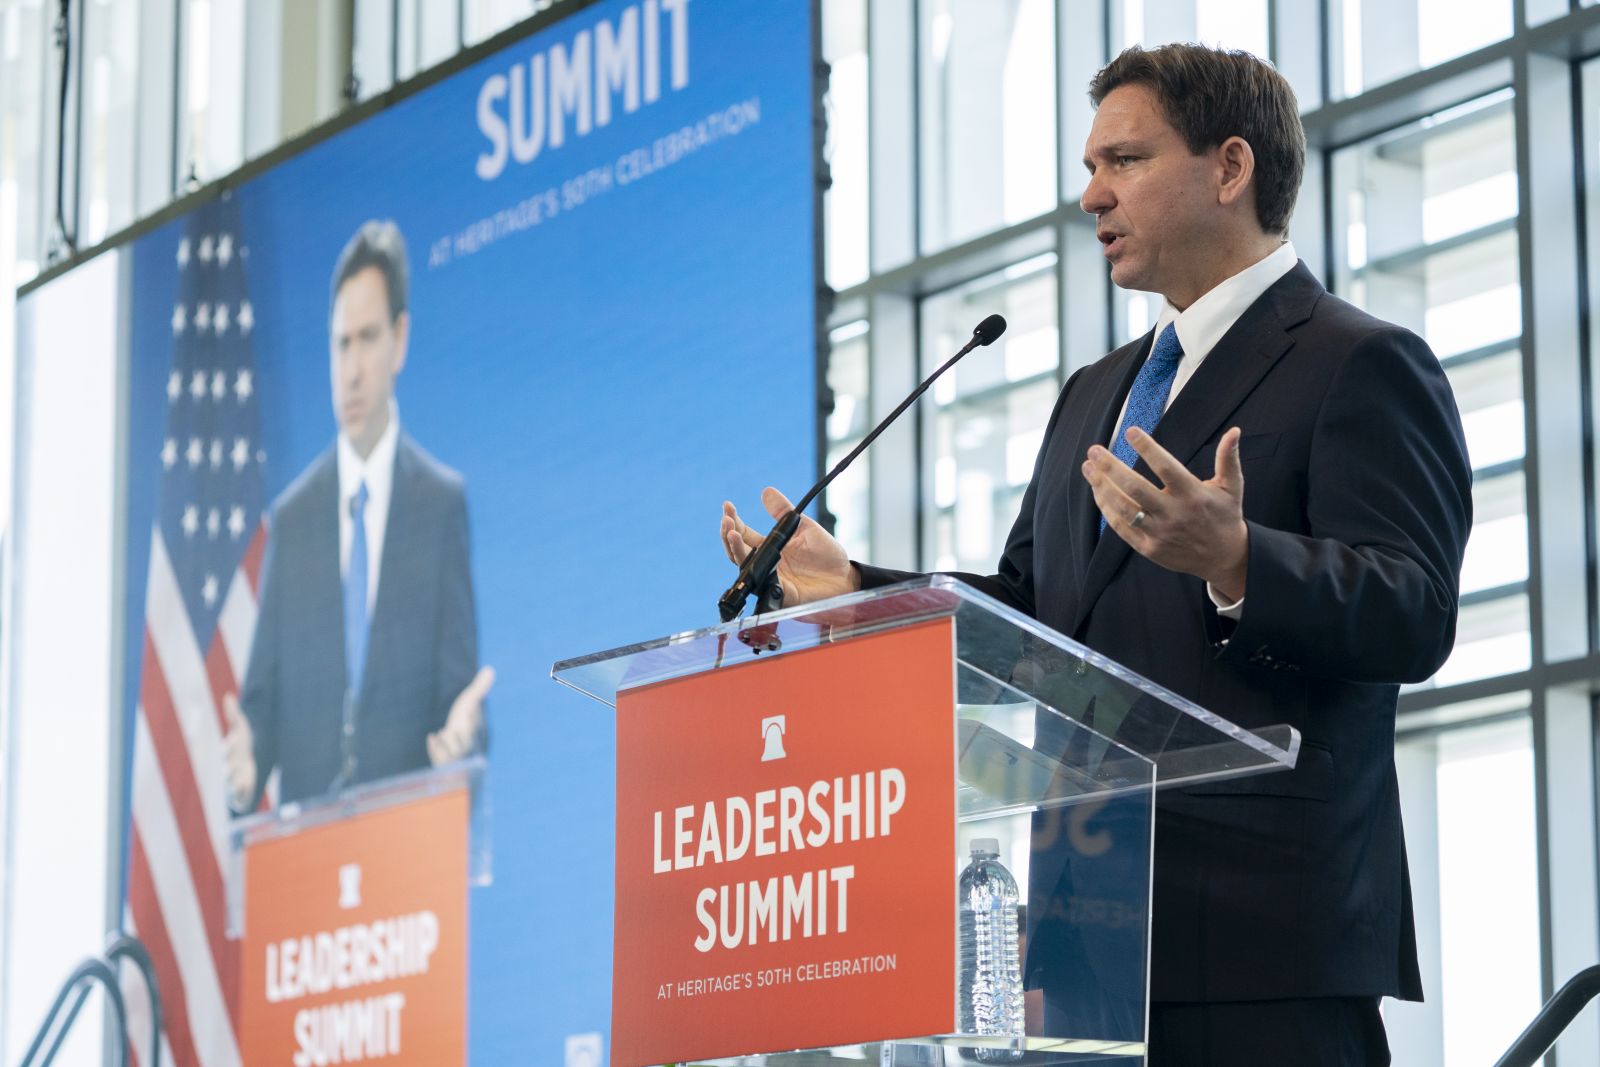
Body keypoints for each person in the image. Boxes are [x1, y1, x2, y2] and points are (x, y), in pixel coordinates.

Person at [721, 44, 1471, 1066]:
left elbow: (1414, 608)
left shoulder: (1358, 360)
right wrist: (855, 586)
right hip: (1082, 948)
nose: (1090, 196)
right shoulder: (1096, 391)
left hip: (1261, 951)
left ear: (1230, 167)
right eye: (1089, 167)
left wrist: (1240, 560)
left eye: (1122, 160)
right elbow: (1029, 616)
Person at [224, 220, 492, 812]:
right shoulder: (293, 518)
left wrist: (464, 740)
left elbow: (460, 699)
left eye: (367, 339)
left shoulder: (440, 503)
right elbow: (262, 708)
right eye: (340, 343)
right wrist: (244, 774)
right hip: (307, 861)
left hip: (406, 852)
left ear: (399, 341)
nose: (351, 369)